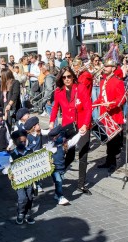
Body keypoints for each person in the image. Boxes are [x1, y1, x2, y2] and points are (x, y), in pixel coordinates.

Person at [49, 66, 93, 194]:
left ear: (73, 76)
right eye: (64, 77)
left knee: (83, 154)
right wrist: (52, 121)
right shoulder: (58, 91)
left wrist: (85, 124)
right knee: (69, 153)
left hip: (82, 125)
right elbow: (55, 107)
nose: (67, 79)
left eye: (69, 76)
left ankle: (81, 184)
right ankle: (59, 174)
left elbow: (88, 108)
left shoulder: (80, 88)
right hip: (68, 126)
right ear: (61, 79)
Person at [92, 58, 127, 173]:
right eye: (105, 66)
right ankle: (108, 161)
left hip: (114, 115)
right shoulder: (103, 81)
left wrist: (111, 105)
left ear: (113, 68)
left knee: (115, 142)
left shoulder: (118, 81)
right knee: (108, 140)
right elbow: (102, 97)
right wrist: (93, 104)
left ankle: (115, 163)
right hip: (105, 114)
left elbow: (122, 99)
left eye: (107, 66)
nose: (104, 68)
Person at [46, 125, 81, 205]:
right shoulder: (50, 147)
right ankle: (60, 197)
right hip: (54, 169)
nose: (63, 138)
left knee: (60, 181)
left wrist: (80, 134)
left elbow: (73, 141)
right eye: (60, 136)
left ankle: (56, 194)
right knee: (59, 181)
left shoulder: (63, 145)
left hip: (62, 168)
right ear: (55, 138)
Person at [8, 130, 35, 225]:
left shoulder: (30, 151)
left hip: (29, 179)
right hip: (18, 180)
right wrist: (10, 174)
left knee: (30, 197)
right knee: (22, 198)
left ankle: (28, 213)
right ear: (15, 142)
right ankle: (20, 213)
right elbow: (9, 168)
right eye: (20, 142)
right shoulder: (12, 154)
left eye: (24, 141)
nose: (23, 143)